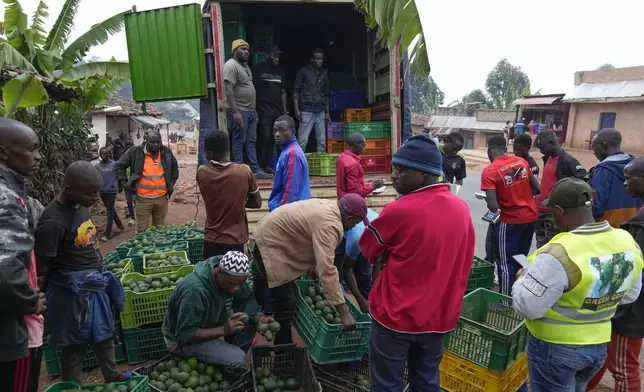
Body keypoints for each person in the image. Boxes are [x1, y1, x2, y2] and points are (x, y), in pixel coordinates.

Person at [358, 134, 475, 392]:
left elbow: (367, 247)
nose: (394, 176)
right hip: (439, 317)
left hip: (396, 317)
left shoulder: (399, 210)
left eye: (401, 170)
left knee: (387, 384)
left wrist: (389, 253)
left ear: (424, 174)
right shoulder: (461, 208)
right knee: (426, 381)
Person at [512, 177, 643, 392]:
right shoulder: (626, 241)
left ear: (559, 211)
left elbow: (527, 306)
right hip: (598, 346)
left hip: (555, 348)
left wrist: (521, 279)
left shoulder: (559, 251)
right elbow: (630, 295)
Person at [35, 161, 130, 385]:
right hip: (72, 292)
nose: (95, 197)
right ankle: (73, 385)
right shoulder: (52, 222)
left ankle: (112, 373)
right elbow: (42, 267)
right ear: (70, 189)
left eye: (97, 192)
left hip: (94, 285)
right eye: (90, 193)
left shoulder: (80, 204)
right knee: (74, 343)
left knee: (105, 334)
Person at [252, 195, 367, 345]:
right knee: (287, 303)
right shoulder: (330, 224)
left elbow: (310, 236)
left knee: (280, 295)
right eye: (356, 222)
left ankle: (264, 321)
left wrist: (313, 267)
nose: (354, 227)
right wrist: (343, 312)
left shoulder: (330, 207)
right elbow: (327, 268)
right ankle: (283, 348)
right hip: (270, 244)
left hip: (272, 237)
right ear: (350, 218)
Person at [585, 157, 644, 392]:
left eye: (628, 178)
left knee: (623, 367)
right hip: (630, 307)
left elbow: (632, 271)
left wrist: (617, 307)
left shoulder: (640, 226)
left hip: (631, 310)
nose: (624, 183)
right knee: (601, 356)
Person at [0, 119, 47, 392]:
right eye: (31, 149)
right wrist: (30, 301)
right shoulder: (6, 198)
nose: (38, 156)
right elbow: (5, 270)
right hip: (10, 331)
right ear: (4, 152)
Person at [163, 251, 271, 367]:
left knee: (249, 320)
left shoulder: (233, 278)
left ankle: (223, 355)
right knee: (238, 359)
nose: (237, 288)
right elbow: (185, 334)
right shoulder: (194, 290)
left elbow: (246, 300)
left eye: (241, 284)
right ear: (220, 274)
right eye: (233, 284)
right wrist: (223, 330)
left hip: (211, 324)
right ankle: (222, 360)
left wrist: (258, 317)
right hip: (182, 342)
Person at [481, 135, 540, 296]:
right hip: (531, 217)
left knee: (504, 262)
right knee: (521, 257)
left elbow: (493, 207)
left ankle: (506, 300)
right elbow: (537, 189)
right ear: (505, 148)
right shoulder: (521, 162)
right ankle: (521, 291)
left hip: (510, 220)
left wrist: (500, 198)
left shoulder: (490, 171)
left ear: (489, 150)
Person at [198, 131, 262, 258]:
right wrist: (240, 201)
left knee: (211, 275)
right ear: (229, 149)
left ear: (210, 154)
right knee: (234, 277)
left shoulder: (202, 172)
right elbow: (257, 203)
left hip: (211, 239)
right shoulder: (244, 171)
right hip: (235, 240)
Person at [223, 39, 272, 179]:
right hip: (239, 110)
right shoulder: (231, 65)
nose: (246, 52)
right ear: (234, 51)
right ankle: (239, 172)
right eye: (242, 49)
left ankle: (254, 170)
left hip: (250, 111)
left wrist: (253, 111)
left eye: (248, 50)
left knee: (251, 141)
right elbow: (228, 89)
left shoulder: (245, 66)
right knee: (239, 141)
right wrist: (235, 112)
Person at [115, 130, 179, 233]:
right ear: (146, 141)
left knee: (159, 230)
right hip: (143, 199)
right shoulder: (135, 152)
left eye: (158, 142)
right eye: (153, 142)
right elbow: (119, 165)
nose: (156, 145)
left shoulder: (166, 152)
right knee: (142, 231)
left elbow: (174, 168)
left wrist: (171, 184)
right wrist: (123, 182)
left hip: (162, 199)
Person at [534, 130, 587, 248]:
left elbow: (582, 180)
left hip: (553, 212)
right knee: (541, 246)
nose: (541, 151)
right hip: (540, 211)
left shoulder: (568, 160)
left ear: (552, 142)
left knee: (554, 246)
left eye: (542, 148)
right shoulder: (547, 158)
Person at [589, 128, 641, 228]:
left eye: (594, 147)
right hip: (634, 229)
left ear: (604, 145)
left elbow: (596, 207)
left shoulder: (602, 171)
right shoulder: (637, 166)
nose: (594, 152)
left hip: (609, 231)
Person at [252, 44, 288, 175]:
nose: (277, 59)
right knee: (264, 137)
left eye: (278, 56)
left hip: (277, 112)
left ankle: (268, 165)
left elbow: (283, 91)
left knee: (274, 139)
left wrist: (284, 111)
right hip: (262, 110)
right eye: (275, 56)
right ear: (267, 56)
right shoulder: (257, 69)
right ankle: (260, 166)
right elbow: (252, 88)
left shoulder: (280, 72)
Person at [340, 208, 379, 313]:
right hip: (345, 236)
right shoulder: (355, 240)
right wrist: (360, 300)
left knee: (364, 275)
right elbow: (346, 270)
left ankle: (370, 304)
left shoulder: (384, 236)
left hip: (365, 223)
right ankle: (340, 302)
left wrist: (375, 293)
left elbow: (377, 264)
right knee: (337, 270)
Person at [268, 115, 310, 211]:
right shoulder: (286, 152)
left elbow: (291, 190)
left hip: (290, 213)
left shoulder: (292, 154)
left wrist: (280, 214)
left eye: (282, 130)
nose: (277, 134)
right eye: (275, 130)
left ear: (293, 131)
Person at [293, 48, 330, 153]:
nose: (320, 61)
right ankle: (299, 166)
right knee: (302, 140)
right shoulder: (303, 71)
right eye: (317, 59)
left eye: (321, 59)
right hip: (306, 110)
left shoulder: (324, 74)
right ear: (312, 59)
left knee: (322, 142)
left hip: (320, 111)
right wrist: (296, 109)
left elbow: (326, 94)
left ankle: (321, 166)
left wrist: (327, 112)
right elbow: (296, 90)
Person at [336, 133, 384, 198]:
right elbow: (355, 191)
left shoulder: (341, 157)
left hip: (343, 199)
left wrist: (368, 187)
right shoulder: (353, 164)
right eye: (363, 145)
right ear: (356, 143)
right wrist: (373, 186)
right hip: (352, 203)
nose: (364, 149)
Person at [95, 147, 124, 242]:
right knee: (110, 209)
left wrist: (120, 186)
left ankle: (107, 234)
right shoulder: (97, 166)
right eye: (102, 154)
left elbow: (119, 175)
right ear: (100, 155)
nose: (104, 156)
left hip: (111, 191)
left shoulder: (114, 164)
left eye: (106, 154)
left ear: (109, 154)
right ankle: (120, 225)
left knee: (109, 211)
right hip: (102, 191)